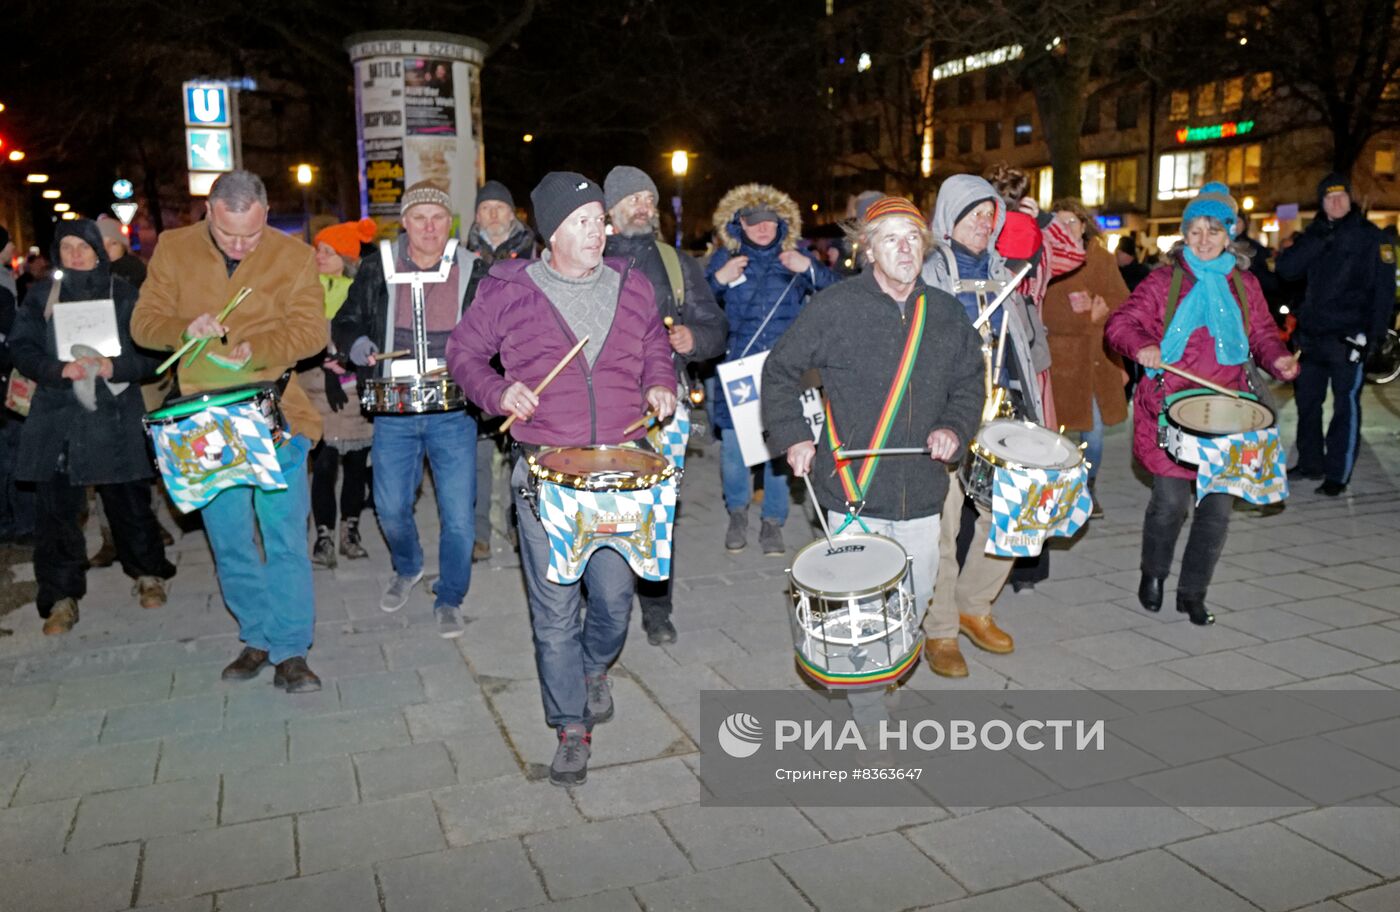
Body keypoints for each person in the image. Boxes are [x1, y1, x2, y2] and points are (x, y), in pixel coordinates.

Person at [447, 171, 676, 787]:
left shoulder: (631, 284)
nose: (598, 231)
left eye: (600, 220)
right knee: (553, 611)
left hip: (622, 466)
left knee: (613, 598)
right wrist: (498, 391)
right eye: (582, 221)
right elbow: (463, 356)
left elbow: (655, 344)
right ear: (551, 232)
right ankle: (570, 726)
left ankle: (595, 665)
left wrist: (661, 381)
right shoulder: (508, 291)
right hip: (546, 470)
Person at [764, 196, 984, 712]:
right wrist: (795, 436)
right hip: (853, 490)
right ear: (867, 248)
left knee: (918, 597)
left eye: (912, 237)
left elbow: (970, 383)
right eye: (890, 238)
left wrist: (955, 427)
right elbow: (779, 371)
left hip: (923, 489)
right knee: (863, 610)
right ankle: (869, 708)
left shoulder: (947, 314)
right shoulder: (835, 308)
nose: (904, 248)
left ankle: (887, 673)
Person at [131, 169, 327, 693]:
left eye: (252, 234)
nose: (240, 244)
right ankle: (257, 636)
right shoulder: (173, 250)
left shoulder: (294, 256)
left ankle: (291, 649)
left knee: (285, 537)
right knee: (231, 540)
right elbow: (143, 323)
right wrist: (182, 328)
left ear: (265, 214)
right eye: (228, 233)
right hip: (203, 422)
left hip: (275, 413)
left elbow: (312, 331)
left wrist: (259, 348)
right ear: (209, 212)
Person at [1106, 182, 1299, 626]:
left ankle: (1193, 592)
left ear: (1229, 234)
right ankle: (1153, 573)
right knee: (1170, 504)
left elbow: (1264, 335)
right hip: (1169, 408)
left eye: (1214, 230)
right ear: (1184, 234)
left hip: (1230, 412)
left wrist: (1280, 359)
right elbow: (1121, 323)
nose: (1204, 239)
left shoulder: (1245, 284)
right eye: (1196, 230)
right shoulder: (1163, 280)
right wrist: (1143, 347)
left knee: (1216, 511)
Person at [8, 219, 176, 634]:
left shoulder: (124, 293)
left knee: (129, 501)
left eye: (83, 247)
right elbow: (21, 347)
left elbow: (154, 352)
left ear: (99, 250)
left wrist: (114, 365)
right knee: (57, 513)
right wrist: (56, 368)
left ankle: (147, 574)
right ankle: (61, 596)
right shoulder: (42, 296)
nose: (76, 255)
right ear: (57, 254)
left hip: (113, 415)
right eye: (67, 248)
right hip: (57, 417)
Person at [334, 181, 481, 637]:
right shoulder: (377, 266)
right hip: (393, 410)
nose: (430, 227)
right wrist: (357, 345)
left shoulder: (471, 268)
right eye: (420, 217)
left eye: (438, 217)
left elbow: (495, 327)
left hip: (453, 411)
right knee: (391, 505)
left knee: (458, 515)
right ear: (405, 222)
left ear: (449, 222)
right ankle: (409, 564)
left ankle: (451, 595)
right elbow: (346, 319)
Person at [919, 174, 1047, 674]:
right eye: (973, 214)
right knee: (943, 528)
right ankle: (941, 628)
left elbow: (1026, 346)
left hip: (1002, 413)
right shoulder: (927, 273)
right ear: (949, 217)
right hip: (946, 415)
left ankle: (975, 605)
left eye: (989, 215)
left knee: (1010, 516)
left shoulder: (1005, 273)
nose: (983, 223)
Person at [603, 165, 727, 645]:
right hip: (602, 410)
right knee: (605, 509)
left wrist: (693, 337)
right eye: (632, 198)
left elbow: (715, 326)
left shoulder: (677, 263)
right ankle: (603, 602)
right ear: (610, 208)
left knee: (657, 510)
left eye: (648, 198)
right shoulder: (588, 259)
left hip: (666, 408)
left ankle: (657, 607)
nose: (643, 206)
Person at [706, 183, 839, 555]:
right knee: (734, 449)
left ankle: (772, 523)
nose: (762, 229)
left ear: (782, 223)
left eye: (770, 221)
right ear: (739, 224)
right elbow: (698, 305)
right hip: (737, 370)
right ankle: (737, 512)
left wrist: (811, 269)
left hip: (785, 370)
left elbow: (840, 298)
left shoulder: (795, 257)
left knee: (781, 447)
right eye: (753, 222)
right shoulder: (724, 259)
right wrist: (719, 280)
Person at [1275, 172, 1395, 495]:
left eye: (1342, 197)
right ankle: (1310, 462)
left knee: (1345, 406)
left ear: (1350, 200)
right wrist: (1320, 239)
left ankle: (1337, 474)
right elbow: (1287, 270)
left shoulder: (1371, 237)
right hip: (1312, 337)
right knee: (1308, 403)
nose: (1337, 202)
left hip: (1349, 338)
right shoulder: (1314, 234)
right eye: (1330, 198)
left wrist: (1377, 334)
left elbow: (1384, 290)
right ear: (1322, 203)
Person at [464, 180, 538, 563]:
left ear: (512, 213)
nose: (492, 214)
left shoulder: (535, 252)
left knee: (519, 454)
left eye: (499, 207)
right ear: (476, 216)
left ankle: (516, 525)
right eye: (485, 208)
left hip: (521, 365)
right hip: (478, 369)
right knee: (476, 457)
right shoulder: (463, 255)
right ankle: (478, 533)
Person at [1043, 198, 1131, 518]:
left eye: (1072, 222)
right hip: (1058, 360)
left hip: (1095, 357)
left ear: (1084, 226)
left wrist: (1101, 307)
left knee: (1092, 432)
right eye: (1059, 223)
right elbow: (1043, 308)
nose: (1065, 228)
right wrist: (1078, 314)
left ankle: (1087, 486)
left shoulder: (1101, 258)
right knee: (1054, 432)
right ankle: (1056, 488)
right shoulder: (1045, 258)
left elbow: (1122, 300)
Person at [306, 218, 377, 568]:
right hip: (316, 391)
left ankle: (350, 531)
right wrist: (321, 362)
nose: (319, 256)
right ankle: (323, 536)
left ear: (346, 257)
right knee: (323, 465)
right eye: (317, 249)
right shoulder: (306, 289)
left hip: (354, 391)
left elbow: (370, 334)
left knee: (354, 466)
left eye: (328, 251)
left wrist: (349, 363)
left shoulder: (362, 290)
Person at [97, 215, 147, 289]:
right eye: (101, 243)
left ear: (124, 247)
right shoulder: (88, 269)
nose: (106, 249)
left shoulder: (133, 269)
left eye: (114, 243)